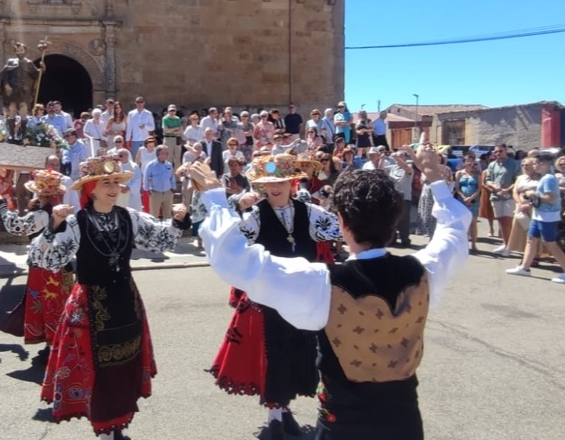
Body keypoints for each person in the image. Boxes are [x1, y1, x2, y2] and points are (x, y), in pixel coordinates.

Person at [194, 139, 471, 440]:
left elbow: (234, 259)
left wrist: (215, 198)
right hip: (404, 424)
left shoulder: (321, 284)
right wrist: (434, 178)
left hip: (343, 427)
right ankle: (278, 410)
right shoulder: (425, 271)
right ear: (396, 219)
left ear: (340, 221)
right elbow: (455, 229)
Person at [30, 156, 190, 439]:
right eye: (106, 182)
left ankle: (118, 423)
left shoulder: (129, 217)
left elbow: (160, 241)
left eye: (116, 182)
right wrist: (53, 226)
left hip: (125, 302)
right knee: (96, 368)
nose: (114, 188)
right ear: (90, 188)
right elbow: (46, 260)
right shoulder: (75, 222)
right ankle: (105, 429)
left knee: (124, 364)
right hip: (89, 305)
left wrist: (178, 221)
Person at [208, 154, 341, 439]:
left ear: (292, 182)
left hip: (301, 297)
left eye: (280, 181)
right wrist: (231, 205)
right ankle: (276, 417)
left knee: (298, 354)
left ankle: (282, 411)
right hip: (269, 298)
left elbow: (343, 229)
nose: (274, 187)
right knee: (274, 357)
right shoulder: (256, 215)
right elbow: (233, 243)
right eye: (268, 183)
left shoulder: (310, 212)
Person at [0, 170, 69, 352]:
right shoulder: (60, 211)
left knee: (48, 305)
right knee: (58, 303)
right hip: (62, 264)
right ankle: (55, 343)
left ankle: (52, 346)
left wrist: (1, 206)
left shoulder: (42, 214)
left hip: (44, 267)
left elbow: (16, 226)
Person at [506, 153, 565, 283]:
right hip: (539, 215)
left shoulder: (548, 178)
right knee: (531, 239)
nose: (534, 166)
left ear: (543, 164)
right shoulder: (546, 177)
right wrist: (532, 200)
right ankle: (525, 268)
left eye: (536, 163)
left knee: (550, 243)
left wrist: (533, 195)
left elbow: (551, 198)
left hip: (547, 217)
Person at [485, 143, 521, 257]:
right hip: (496, 196)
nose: (498, 154)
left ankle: (509, 246)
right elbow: (488, 179)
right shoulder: (492, 165)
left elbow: (518, 180)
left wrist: (508, 189)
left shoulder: (514, 164)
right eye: (495, 152)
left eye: (500, 151)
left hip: (509, 196)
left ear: (505, 151)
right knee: (501, 221)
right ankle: (505, 244)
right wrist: (493, 185)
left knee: (507, 221)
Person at [454, 151, 481, 252]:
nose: (470, 162)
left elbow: (479, 188)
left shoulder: (477, 173)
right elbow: (457, 188)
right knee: (462, 223)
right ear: (464, 162)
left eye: (471, 161)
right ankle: (462, 243)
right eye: (467, 161)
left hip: (474, 200)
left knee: (473, 223)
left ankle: (473, 244)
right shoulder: (459, 173)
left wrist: (471, 198)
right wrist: (463, 197)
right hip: (461, 200)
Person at [144, 145, 176, 220]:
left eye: (167, 153)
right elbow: (146, 178)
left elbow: (172, 177)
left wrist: (173, 188)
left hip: (167, 192)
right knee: (153, 215)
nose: (167, 155)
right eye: (165, 153)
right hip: (156, 193)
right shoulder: (151, 165)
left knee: (168, 215)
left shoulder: (169, 165)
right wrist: (147, 189)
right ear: (159, 154)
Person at [162, 104, 183, 169]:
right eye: (171, 111)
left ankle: (177, 176)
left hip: (177, 139)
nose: (172, 112)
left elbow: (180, 130)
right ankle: (168, 175)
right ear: (168, 111)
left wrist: (171, 130)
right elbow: (166, 130)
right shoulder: (165, 118)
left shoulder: (177, 119)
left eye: (173, 111)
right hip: (168, 139)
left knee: (177, 158)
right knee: (168, 157)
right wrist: (175, 129)